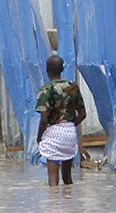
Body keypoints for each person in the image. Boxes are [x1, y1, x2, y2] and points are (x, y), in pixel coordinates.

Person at [34, 55, 85, 186]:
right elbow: (83, 114)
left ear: (47, 70)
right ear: (62, 69)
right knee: (67, 179)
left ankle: (54, 205)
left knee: (53, 184)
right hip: (70, 133)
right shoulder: (73, 87)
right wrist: (70, 124)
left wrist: (39, 138)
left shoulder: (46, 90)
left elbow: (44, 120)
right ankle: (70, 203)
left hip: (53, 133)